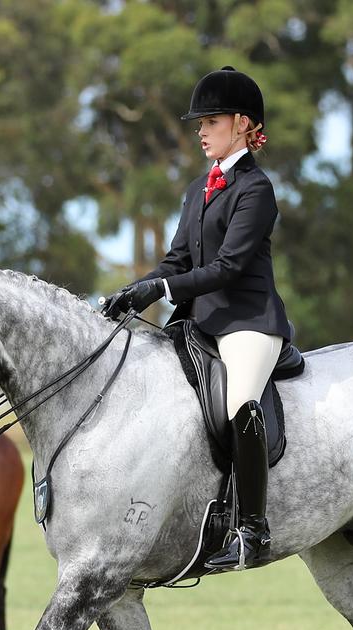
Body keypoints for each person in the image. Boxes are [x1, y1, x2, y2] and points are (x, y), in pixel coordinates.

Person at [102, 66, 293, 571]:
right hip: (199, 321)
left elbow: (229, 266)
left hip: (248, 321)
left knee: (239, 402)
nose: (201, 130)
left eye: (210, 120)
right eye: (200, 122)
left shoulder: (257, 190)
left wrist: (163, 287)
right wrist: (137, 289)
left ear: (242, 124)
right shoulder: (196, 189)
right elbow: (178, 261)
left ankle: (252, 529)